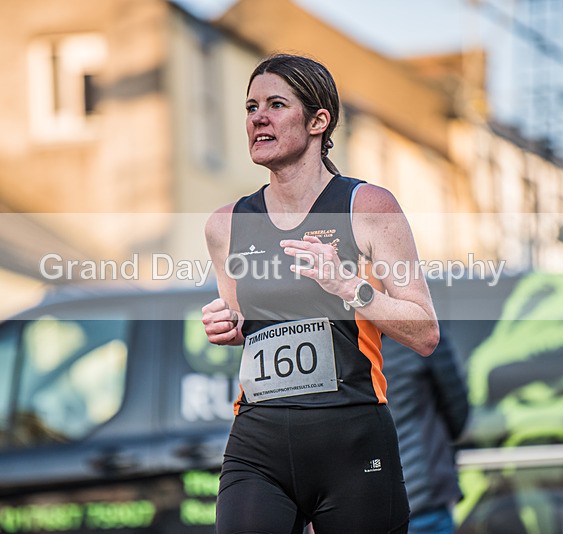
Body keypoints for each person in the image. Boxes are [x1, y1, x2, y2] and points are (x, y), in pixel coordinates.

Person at [201, 53, 439, 534]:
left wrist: (349, 286)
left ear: (318, 121)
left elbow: (425, 332)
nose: (258, 118)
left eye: (276, 105)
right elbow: (247, 325)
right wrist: (226, 326)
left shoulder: (366, 206)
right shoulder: (225, 224)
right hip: (259, 441)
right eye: (251, 107)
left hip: (351, 438)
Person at [382, 322, 469, 534]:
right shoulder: (420, 329)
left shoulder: (338, 334)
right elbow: (457, 413)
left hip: (363, 503)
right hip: (424, 495)